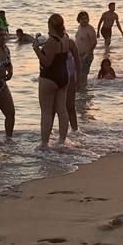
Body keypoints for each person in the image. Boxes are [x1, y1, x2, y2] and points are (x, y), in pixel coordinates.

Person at [31, 14, 70, 147]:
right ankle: (62, 140)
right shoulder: (65, 38)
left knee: (46, 111)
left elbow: (46, 62)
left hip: (49, 77)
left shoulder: (52, 41)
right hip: (64, 75)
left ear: (50, 25)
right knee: (62, 109)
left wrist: (36, 48)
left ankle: (44, 143)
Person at [0, 27, 16, 138]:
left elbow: (8, 63)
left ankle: (8, 139)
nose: (4, 37)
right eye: (1, 35)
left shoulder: (6, 49)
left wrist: (10, 71)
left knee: (10, 114)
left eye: (5, 35)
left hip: (2, 84)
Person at [63, 28, 82, 132]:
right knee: (57, 108)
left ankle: (75, 130)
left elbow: (78, 63)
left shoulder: (70, 43)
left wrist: (78, 80)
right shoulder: (53, 43)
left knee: (70, 106)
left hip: (70, 78)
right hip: (58, 79)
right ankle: (53, 133)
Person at [74, 11, 97, 90]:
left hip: (86, 56)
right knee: (77, 74)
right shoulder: (80, 27)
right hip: (78, 55)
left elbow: (94, 43)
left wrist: (87, 54)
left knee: (83, 75)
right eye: (82, 19)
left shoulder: (89, 29)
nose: (85, 20)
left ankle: (83, 93)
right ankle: (80, 93)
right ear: (78, 20)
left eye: (86, 18)